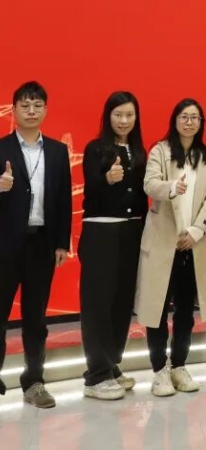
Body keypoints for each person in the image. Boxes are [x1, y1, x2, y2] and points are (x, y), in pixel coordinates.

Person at [134, 98, 206, 397]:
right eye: (184, 116)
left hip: (191, 244)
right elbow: (149, 184)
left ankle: (179, 366)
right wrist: (171, 188)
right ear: (175, 120)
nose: (189, 122)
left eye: (195, 117)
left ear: (201, 123)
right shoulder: (160, 151)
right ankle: (159, 370)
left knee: (185, 311)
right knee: (156, 309)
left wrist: (197, 230)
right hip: (162, 241)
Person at [0, 81, 71, 408]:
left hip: (42, 245)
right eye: (25, 105)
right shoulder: (1, 148)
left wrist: (61, 243)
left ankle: (34, 381)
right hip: (4, 245)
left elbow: (63, 200)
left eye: (37, 105)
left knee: (36, 319)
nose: (31, 111)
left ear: (45, 110)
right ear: (14, 110)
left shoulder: (57, 151)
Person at [79, 91, 148, 400]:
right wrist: (107, 179)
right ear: (108, 116)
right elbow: (90, 190)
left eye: (129, 115)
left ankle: (110, 364)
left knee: (121, 301)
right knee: (98, 303)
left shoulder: (140, 151)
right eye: (118, 114)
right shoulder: (95, 148)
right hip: (101, 231)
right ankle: (95, 376)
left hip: (132, 232)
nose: (123, 120)